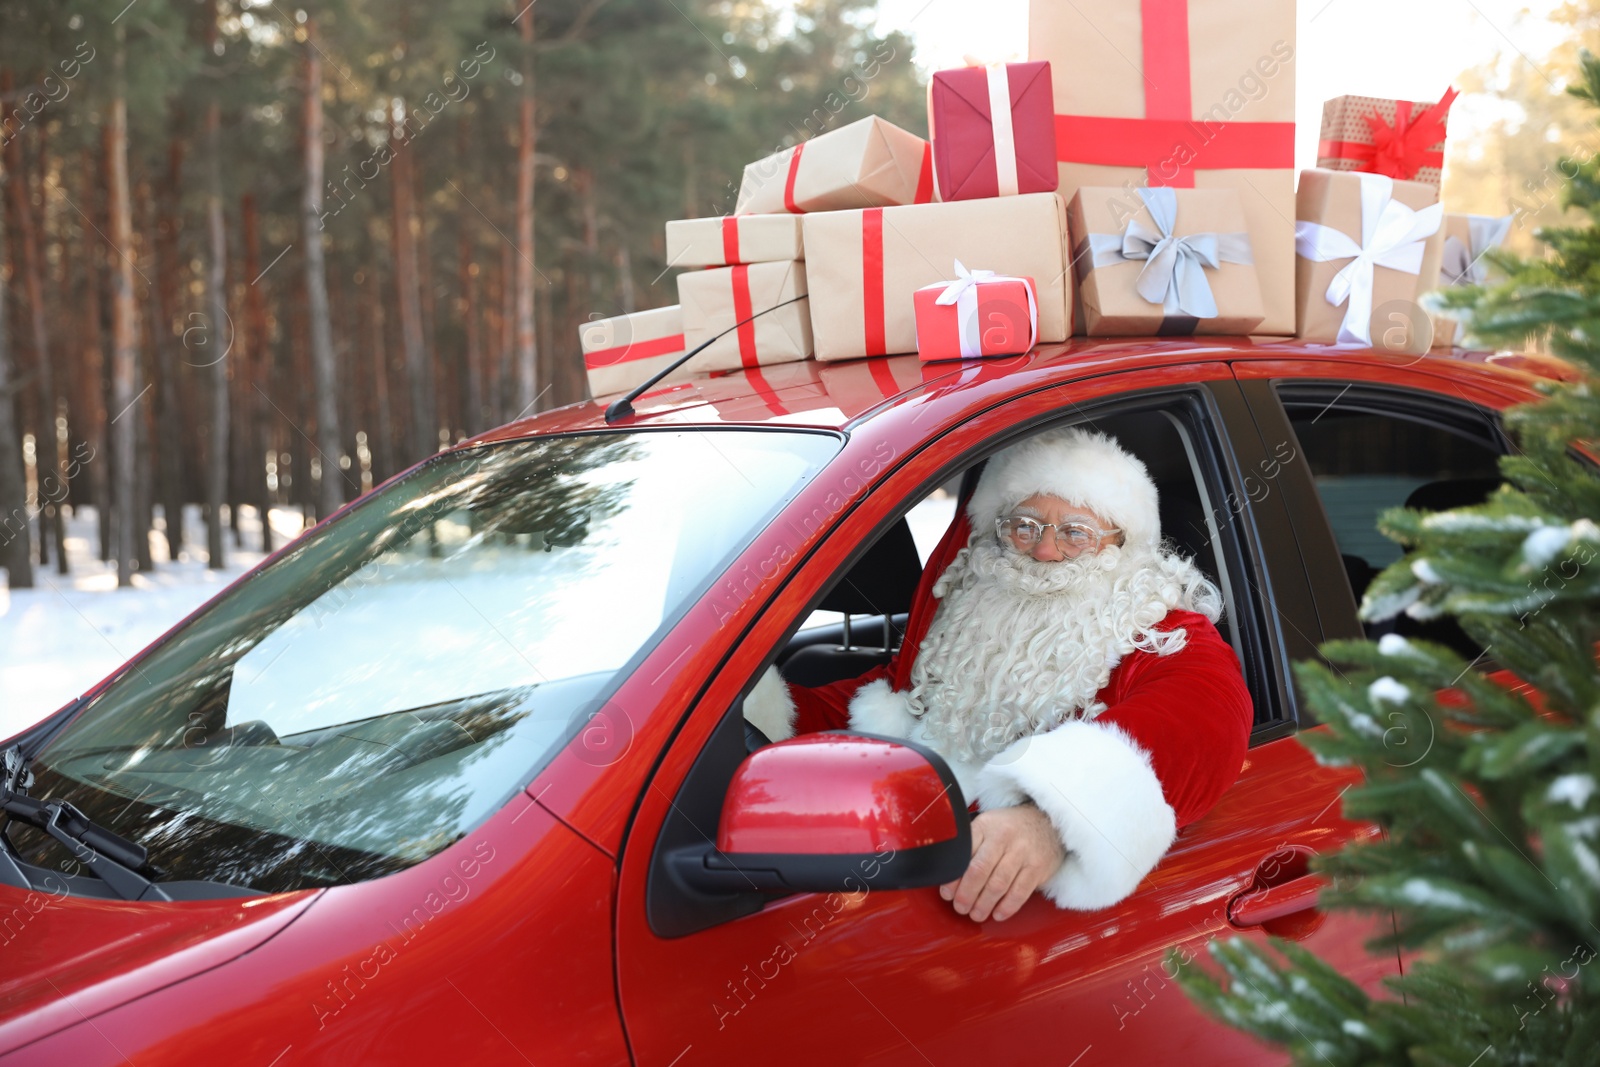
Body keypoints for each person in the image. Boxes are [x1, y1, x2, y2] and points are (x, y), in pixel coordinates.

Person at [743, 427, 1253, 922]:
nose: (1045, 551)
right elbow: (904, 699)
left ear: (1122, 542)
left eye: (1076, 533)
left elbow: (1204, 719)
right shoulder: (969, 607)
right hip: (903, 860)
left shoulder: (1157, 630)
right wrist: (766, 716)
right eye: (1024, 526)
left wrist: (1053, 818)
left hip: (1020, 925)